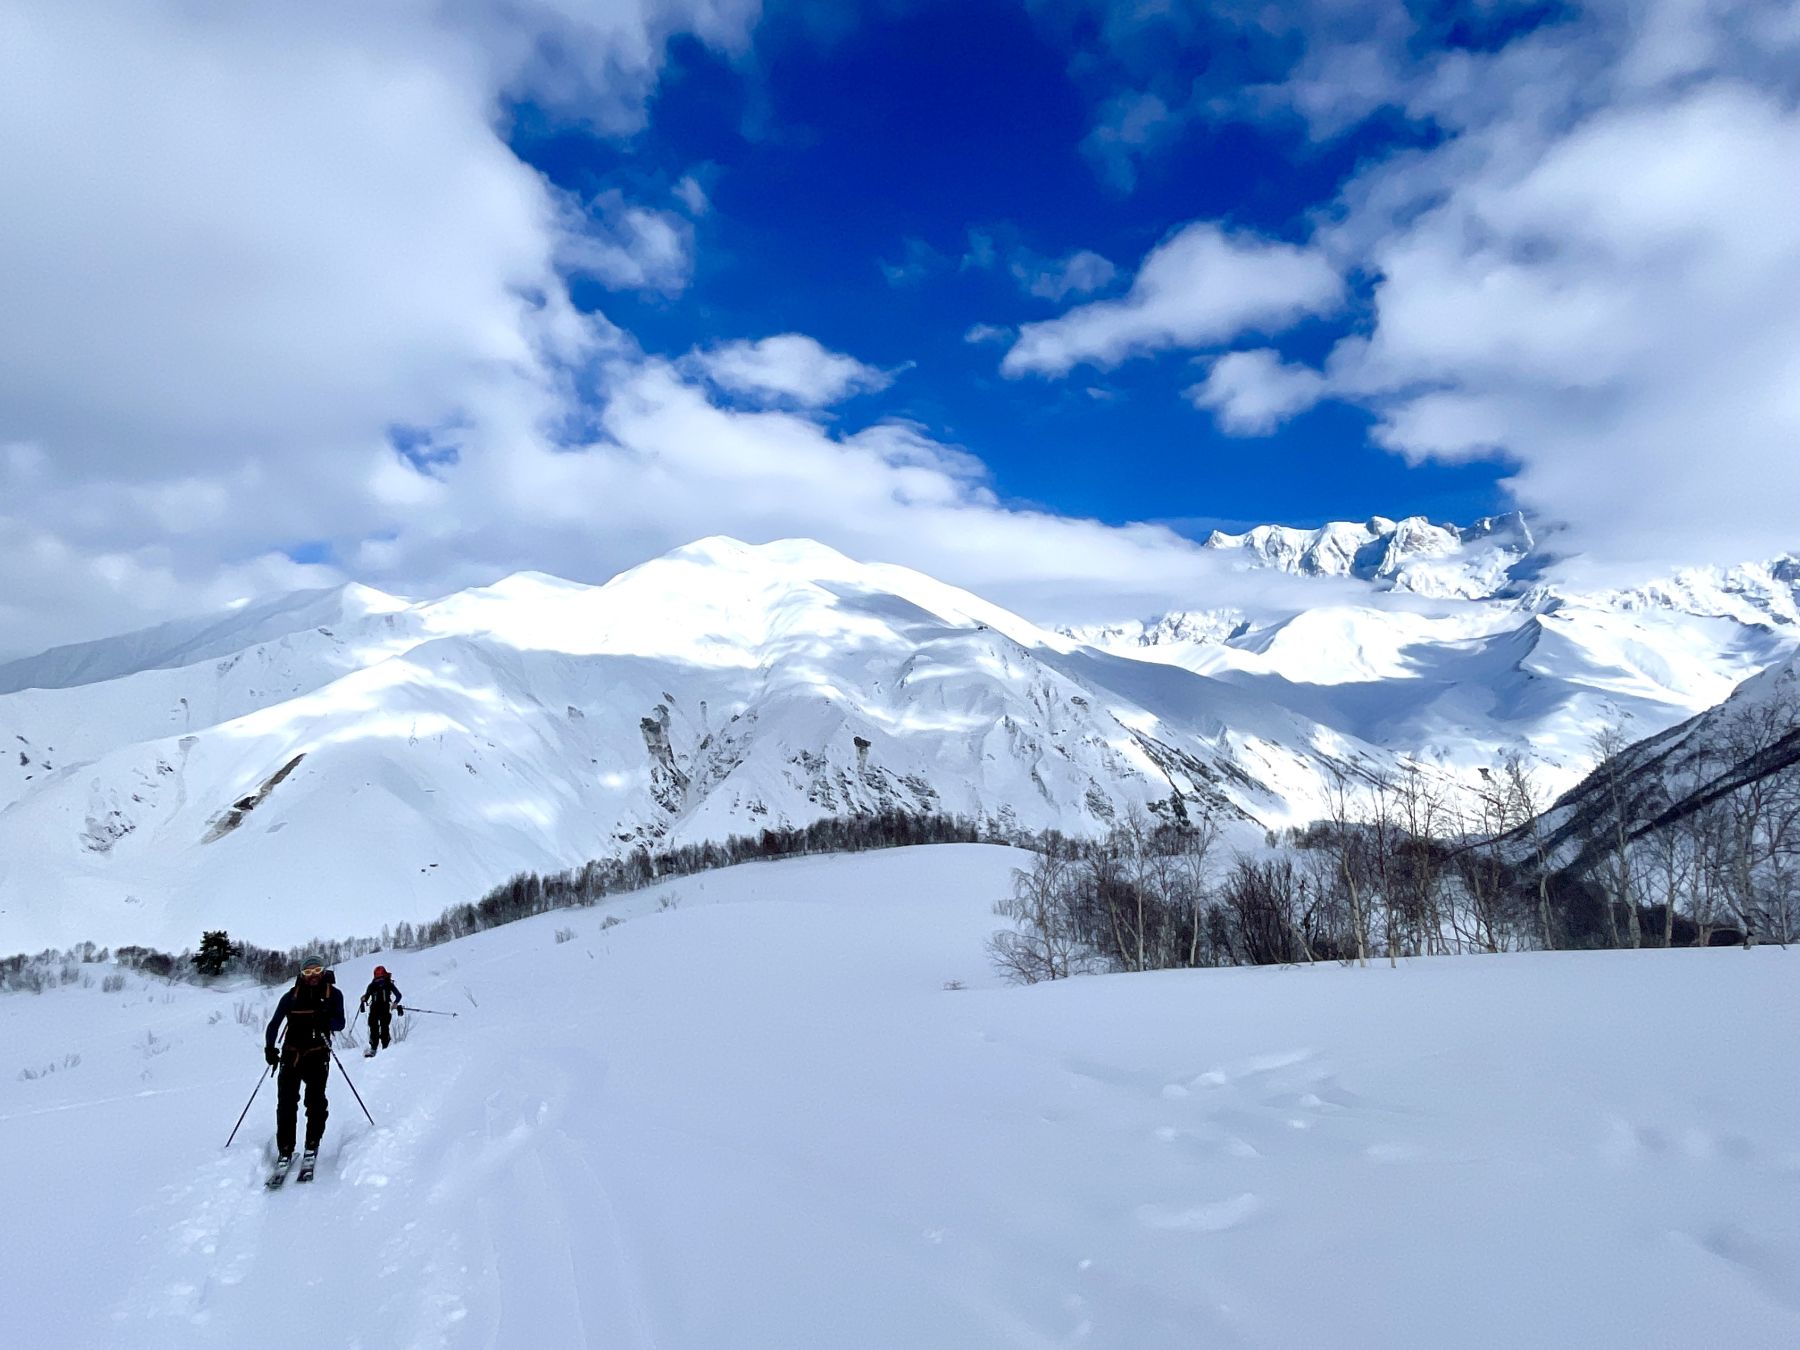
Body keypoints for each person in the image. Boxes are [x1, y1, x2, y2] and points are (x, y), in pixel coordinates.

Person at [263, 955, 345, 1166]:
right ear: (301, 974)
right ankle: (285, 1150)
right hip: (291, 1055)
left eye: (317, 971)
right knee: (286, 1104)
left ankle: (312, 1144)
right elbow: (274, 1024)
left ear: (323, 971)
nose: (313, 976)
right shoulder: (290, 997)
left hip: (318, 1055)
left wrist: (325, 1018)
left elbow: (340, 1024)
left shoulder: (333, 995)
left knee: (315, 1102)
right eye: (308, 972)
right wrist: (270, 1048)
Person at [358, 964, 404, 1057]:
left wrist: (363, 999)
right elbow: (398, 995)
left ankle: (375, 1049)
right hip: (384, 1008)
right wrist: (395, 1003)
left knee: (375, 1028)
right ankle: (384, 1048)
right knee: (383, 1028)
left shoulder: (372, 985)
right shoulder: (388, 984)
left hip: (376, 1009)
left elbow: (366, 998)